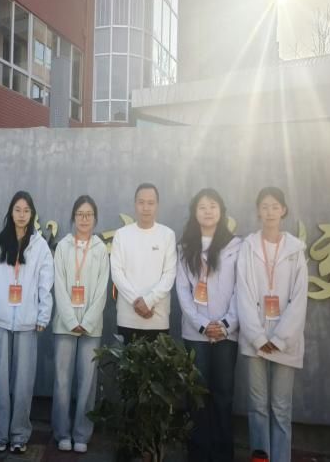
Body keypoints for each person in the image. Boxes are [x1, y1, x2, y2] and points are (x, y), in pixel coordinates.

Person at [0, 190, 54, 454]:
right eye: (17, 210)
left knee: (24, 384)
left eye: (26, 210)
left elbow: (46, 284)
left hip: (27, 323)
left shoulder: (40, 246)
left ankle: (20, 435)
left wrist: (43, 315)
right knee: (0, 383)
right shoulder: (0, 243)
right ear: (11, 213)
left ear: (32, 214)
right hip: (0, 321)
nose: (22, 215)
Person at [237, 187, 308, 462]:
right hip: (255, 338)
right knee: (257, 406)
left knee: (280, 407)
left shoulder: (295, 250)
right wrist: (257, 337)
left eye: (275, 206)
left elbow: (299, 299)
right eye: (265, 206)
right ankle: (261, 457)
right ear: (258, 211)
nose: (270, 212)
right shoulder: (248, 247)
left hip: (285, 341)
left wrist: (279, 339)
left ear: (283, 211)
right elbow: (243, 293)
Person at [176, 188, 242, 462]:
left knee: (223, 396)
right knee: (197, 396)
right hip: (195, 334)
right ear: (195, 212)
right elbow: (182, 291)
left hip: (227, 334)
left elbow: (241, 290)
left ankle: (222, 454)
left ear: (221, 211)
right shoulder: (184, 248)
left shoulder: (235, 245)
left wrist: (225, 324)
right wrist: (203, 325)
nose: (207, 211)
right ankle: (198, 454)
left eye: (213, 206)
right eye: (202, 206)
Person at [51, 195, 110, 454]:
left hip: (91, 327)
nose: (84, 219)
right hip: (64, 326)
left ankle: (82, 433)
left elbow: (102, 289)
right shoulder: (63, 247)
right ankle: (62, 433)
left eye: (89, 214)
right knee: (62, 381)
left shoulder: (100, 249)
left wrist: (86, 322)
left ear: (95, 219)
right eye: (80, 214)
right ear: (73, 218)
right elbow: (59, 286)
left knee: (87, 383)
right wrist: (71, 320)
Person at [110, 183, 177, 344]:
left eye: (150, 203)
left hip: (157, 317)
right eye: (141, 202)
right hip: (127, 318)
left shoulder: (167, 235)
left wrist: (149, 301)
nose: (146, 208)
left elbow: (169, 274)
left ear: (157, 205)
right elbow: (117, 272)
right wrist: (137, 302)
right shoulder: (122, 235)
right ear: (135, 204)